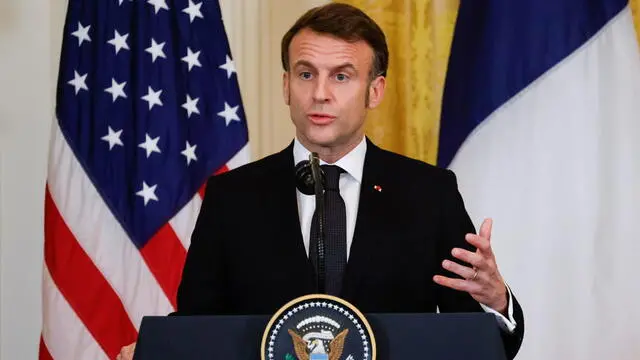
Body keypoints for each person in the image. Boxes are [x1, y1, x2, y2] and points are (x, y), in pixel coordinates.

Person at [118, 3, 524, 359]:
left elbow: (477, 343)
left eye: (342, 77)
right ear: (286, 85)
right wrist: (158, 349)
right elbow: (199, 327)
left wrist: (497, 302)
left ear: (375, 90)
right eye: (306, 74)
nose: (320, 94)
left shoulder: (429, 193)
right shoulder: (232, 196)